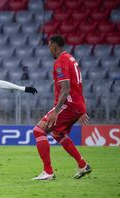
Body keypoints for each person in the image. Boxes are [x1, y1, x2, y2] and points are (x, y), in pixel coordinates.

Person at [32, 35, 91, 180]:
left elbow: (66, 89)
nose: (49, 50)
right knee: (58, 134)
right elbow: (77, 86)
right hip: (76, 104)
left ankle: (48, 171)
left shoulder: (60, 62)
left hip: (68, 104)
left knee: (39, 130)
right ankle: (83, 164)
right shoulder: (71, 59)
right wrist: (81, 109)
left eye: (49, 47)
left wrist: (56, 111)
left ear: (54, 46)